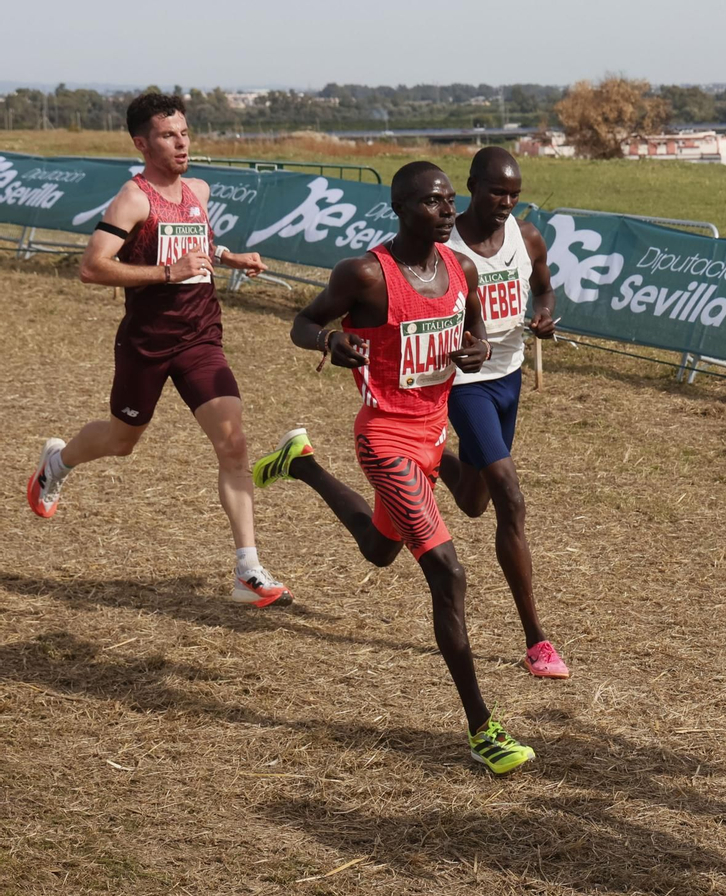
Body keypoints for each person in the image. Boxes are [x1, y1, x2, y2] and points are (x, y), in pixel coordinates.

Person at [251, 161, 536, 776]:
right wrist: (329, 341)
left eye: (450, 201)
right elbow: (303, 321)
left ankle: (302, 464)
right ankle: (483, 729)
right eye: (434, 202)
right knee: (448, 573)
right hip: (384, 440)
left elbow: (476, 330)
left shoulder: (460, 268)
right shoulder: (364, 274)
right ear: (401, 208)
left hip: (433, 434)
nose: (448, 211)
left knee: (380, 550)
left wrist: (478, 348)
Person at [27, 92, 288, 606]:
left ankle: (247, 570)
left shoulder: (198, 190)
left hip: (200, 337)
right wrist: (169, 273)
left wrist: (229, 257)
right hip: (147, 342)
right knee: (121, 440)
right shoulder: (134, 198)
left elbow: (195, 242)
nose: (181, 143)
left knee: (234, 445)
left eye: (184, 133)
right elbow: (92, 267)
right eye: (169, 136)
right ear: (142, 144)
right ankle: (57, 463)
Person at [436, 146, 567, 679]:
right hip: (465, 384)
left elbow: (544, 289)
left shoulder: (527, 236)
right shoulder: (443, 244)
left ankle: (425, 457)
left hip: (509, 378)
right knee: (510, 498)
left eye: (514, 194)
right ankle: (537, 640)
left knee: (473, 500)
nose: (506, 202)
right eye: (496, 192)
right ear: (471, 186)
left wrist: (544, 316)